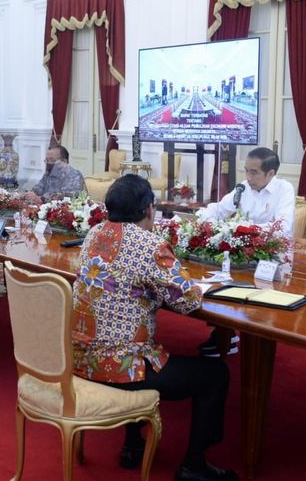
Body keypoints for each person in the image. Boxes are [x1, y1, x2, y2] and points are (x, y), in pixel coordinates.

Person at [72, 174, 238, 481]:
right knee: (215, 374)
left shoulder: (94, 233)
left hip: (81, 361)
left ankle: (132, 446)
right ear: (150, 209)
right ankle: (194, 465)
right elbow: (187, 301)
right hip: (123, 368)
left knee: (135, 344)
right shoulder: (150, 245)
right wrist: (200, 284)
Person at [196, 146, 295, 357]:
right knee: (215, 278)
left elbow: (283, 228)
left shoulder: (284, 190)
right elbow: (221, 209)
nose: (248, 177)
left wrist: (244, 230)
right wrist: (202, 216)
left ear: (271, 173)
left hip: (273, 257)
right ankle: (225, 332)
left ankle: (254, 339)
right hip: (243, 254)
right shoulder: (243, 188)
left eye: (254, 172)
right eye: (246, 171)